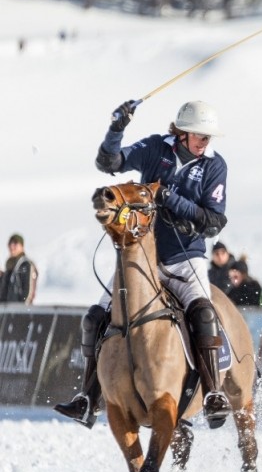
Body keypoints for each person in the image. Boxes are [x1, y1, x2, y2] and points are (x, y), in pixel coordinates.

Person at [54, 99, 232, 429]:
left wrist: (170, 199)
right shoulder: (154, 148)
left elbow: (214, 221)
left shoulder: (214, 166)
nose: (204, 142)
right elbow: (109, 162)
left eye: (208, 137)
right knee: (96, 317)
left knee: (204, 314)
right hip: (142, 259)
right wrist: (116, 128)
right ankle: (88, 397)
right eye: (198, 135)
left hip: (185, 259)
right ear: (181, 133)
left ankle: (213, 394)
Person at [0, 233, 38, 304]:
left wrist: (22, 309)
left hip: (20, 312)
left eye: (15, 243)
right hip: (7, 311)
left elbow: (28, 293)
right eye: (10, 244)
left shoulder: (26, 265)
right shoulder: (10, 269)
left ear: (22, 246)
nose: (12, 246)